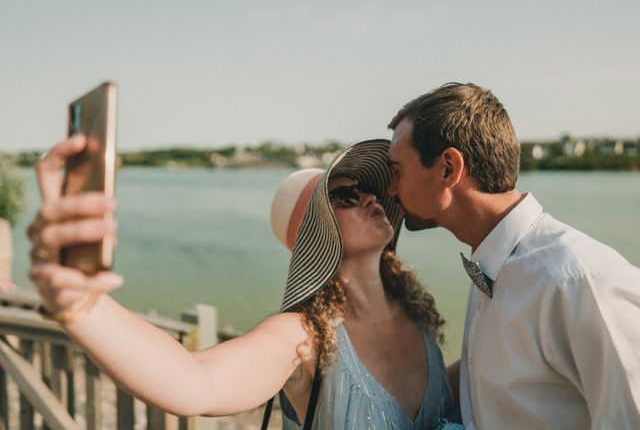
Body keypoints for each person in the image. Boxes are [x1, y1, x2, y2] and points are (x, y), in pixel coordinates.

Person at [27, 136, 457, 429]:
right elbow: (195, 383)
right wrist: (82, 306)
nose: (368, 198)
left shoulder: (419, 313)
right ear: (315, 232)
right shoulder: (305, 336)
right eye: (344, 196)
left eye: (368, 190)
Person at [386, 82, 640, 429]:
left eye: (397, 171)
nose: (390, 189)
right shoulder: (494, 262)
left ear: (448, 168)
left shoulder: (578, 281)